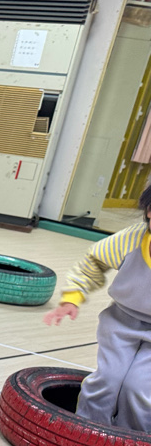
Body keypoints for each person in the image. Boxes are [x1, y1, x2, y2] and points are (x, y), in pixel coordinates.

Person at [44, 184, 151, 430]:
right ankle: (87, 431)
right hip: (122, 322)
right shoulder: (132, 239)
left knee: (139, 390)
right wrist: (73, 297)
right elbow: (93, 262)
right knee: (107, 380)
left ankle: (131, 442)